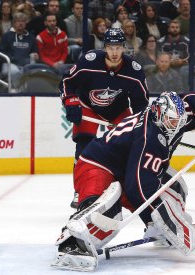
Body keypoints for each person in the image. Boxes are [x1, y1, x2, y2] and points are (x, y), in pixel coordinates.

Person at [50, 91, 195, 271]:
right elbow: (139, 187)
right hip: (96, 164)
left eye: (179, 121)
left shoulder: (175, 114)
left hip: (126, 165)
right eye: (172, 122)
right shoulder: (149, 136)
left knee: (172, 184)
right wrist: (170, 222)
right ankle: (72, 243)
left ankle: (153, 226)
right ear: (159, 115)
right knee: (108, 208)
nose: (176, 127)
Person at [58, 28, 150, 206]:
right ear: (104, 47)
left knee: (127, 148)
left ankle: (127, 191)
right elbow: (67, 82)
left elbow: (141, 104)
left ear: (124, 47)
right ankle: (80, 192)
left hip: (119, 111)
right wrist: (70, 101)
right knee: (83, 148)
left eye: (118, 47)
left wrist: (138, 123)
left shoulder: (134, 71)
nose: (114, 52)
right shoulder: (89, 62)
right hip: (88, 107)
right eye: (110, 47)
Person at [0, 12, 38, 92]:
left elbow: (34, 51)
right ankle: (17, 91)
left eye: (23, 21)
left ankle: (29, 91)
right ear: (14, 23)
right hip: (9, 64)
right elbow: (2, 52)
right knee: (15, 72)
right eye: (18, 21)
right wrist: (13, 58)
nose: (21, 23)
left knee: (35, 71)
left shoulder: (31, 37)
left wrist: (35, 55)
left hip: (26, 64)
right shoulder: (7, 36)